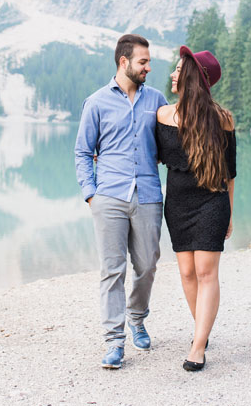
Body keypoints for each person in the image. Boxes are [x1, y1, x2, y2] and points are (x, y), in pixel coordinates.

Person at [74, 33, 168, 370]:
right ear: (123, 62)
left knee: (147, 264)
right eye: (143, 61)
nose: (149, 67)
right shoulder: (96, 102)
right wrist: (91, 194)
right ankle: (115, 342)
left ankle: (137, 316)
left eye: (149, 61)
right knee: (112, 271)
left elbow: (170, 145)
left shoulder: (157, 100)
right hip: (109, 197)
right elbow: (83, 151)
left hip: (147, 195)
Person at [155, 46, 236, 372]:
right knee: (187, 272)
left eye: (178, 70)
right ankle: (202, 328)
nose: (173, 75)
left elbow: (230, 174)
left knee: (205, 272)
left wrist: (230, 212)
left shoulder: (223, 120)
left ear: (192, 78)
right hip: (177, 203)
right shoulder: (163, 116)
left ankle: (198, 345)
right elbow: (148, 156)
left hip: (212, 202)